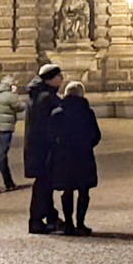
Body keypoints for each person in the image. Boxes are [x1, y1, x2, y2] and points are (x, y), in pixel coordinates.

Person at [47, 81, 101, 236]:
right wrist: (87, 145)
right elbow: (96, 135)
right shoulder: (87, 113)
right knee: (84, 191)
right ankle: (81, 223)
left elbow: (51, 135)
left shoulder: (57, 113)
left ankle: (69, 223)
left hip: (64, 156)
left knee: (67, 190)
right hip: (83, 155)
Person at [22, 64, 64, 235]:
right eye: (59, 76)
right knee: (43, 184)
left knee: (43, 183)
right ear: (51, 78)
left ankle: (50, 217)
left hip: (35, 147)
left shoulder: (36, 95)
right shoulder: (47, 98)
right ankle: (37, 221)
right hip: (46, 148)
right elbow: (57, 122)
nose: (61, 79)